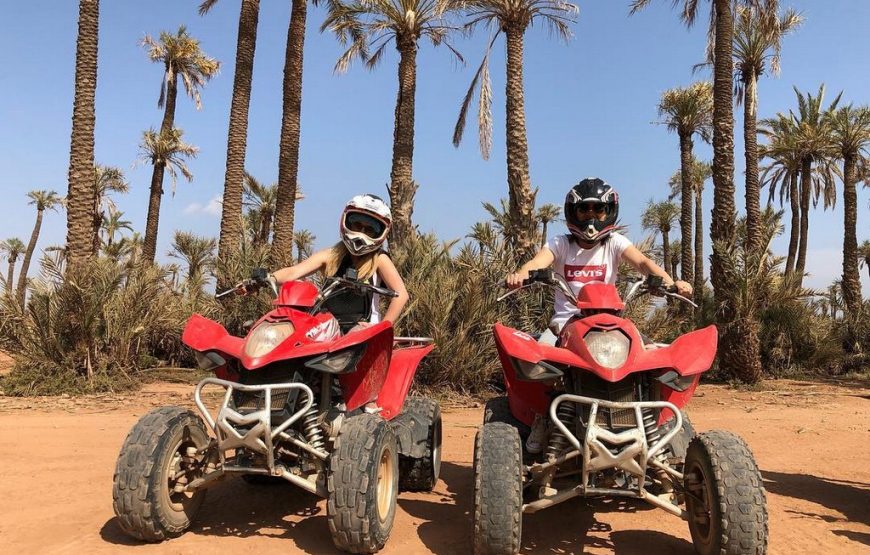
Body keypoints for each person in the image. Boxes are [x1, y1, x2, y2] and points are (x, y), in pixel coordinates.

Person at [505, 178, 692, 453]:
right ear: (573, 212)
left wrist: (670, 281)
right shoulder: (560, 244)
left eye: (598, 210)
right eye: (584, 209)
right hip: (565, 325)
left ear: (609, 212)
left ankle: (654, 423)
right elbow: (537, 262)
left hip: (610, 324)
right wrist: (521, 275)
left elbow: (643, 262)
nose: (591, 216)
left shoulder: (615, 243)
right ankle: (543, 419)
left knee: (653, 361)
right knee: (538, 362)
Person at [268, 194, 409, 334]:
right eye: (357, 224)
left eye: (370, 229)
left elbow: (401, 295)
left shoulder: (379, 259)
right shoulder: (332, 255)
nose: (361, 233)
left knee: (356, 335)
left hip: (363, 329)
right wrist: (268, 278)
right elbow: (293, 272)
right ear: (346, 221)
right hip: (327, 326)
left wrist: (383, 326)